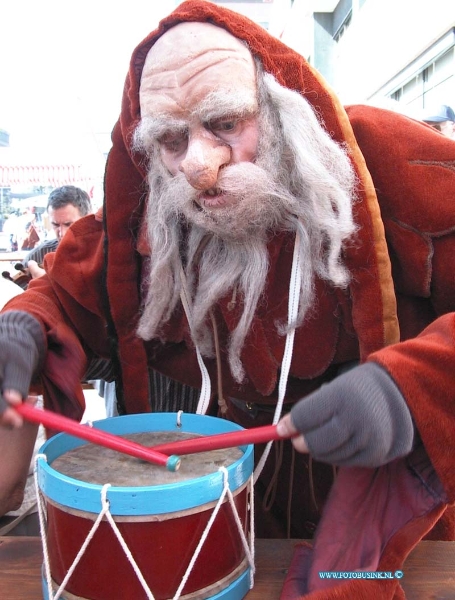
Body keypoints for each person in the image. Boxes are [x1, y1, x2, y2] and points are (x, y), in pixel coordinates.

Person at [0, 2, 454, 597]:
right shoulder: (149, 207)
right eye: (169, 138)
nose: (198, 166)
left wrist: (412, 387)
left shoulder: (382, 161)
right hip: (200, 543)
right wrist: (23, 328)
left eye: (224, 124)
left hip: (385, 539)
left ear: (280, 105)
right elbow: (62, 292)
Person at [22, 185, 92, 279]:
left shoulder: (105, 252)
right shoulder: (38, 255)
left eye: (68, 224)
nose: (62, 233)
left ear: (88, 219)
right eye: (55, 225)